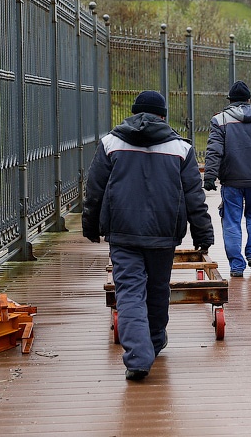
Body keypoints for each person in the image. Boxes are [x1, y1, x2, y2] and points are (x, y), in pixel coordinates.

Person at [82, 90, 214, 381]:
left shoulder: (111, 143)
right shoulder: (182, 149)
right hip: (163, 233)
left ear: (132, 112)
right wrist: (202, 232)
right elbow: (194, 196)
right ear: (163, 115)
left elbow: (95, 190)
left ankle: (138, 357)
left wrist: (90, 226)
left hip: (123, 231)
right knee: (157, 291)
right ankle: (154, 340)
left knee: (129, 292)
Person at [203, 80, 251, 278]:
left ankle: (236, 265)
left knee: (231, 220)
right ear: (249, 100)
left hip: (231, 180)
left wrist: (210, 176)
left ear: (230, 100)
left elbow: (214, 151)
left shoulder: (220, 120)